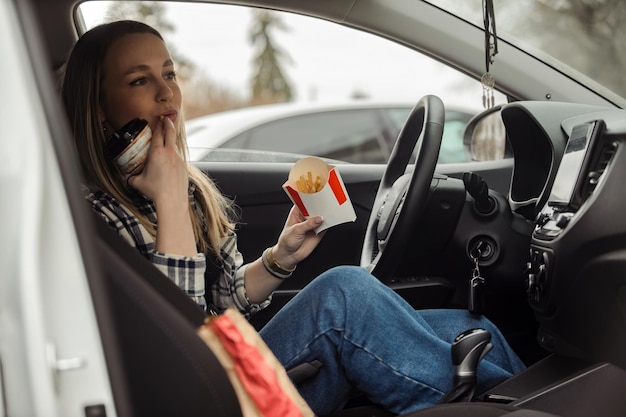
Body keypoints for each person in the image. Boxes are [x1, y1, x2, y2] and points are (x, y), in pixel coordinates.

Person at [61, 20, 525, 416]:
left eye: (169, 73)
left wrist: (277, 260)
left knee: (469, 327)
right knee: (344, 295)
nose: (167, 93)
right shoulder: (94, 217)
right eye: (139, 81)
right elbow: (181, 342)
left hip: (229, 363)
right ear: (98, 111)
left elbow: (221, 302)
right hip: (206, 391)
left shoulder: (186, 186)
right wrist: (170, 204)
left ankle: (530, 402)